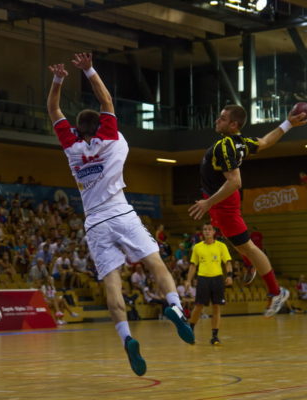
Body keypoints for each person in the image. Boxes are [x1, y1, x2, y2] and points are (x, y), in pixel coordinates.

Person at [47, 53, 193, 376]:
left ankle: (127, 338)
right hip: (122, 212)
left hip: (95, 222)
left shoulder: (72, 150)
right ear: (99, 126)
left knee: (112, 283)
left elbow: (54, 111)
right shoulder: (111, 137)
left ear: (77, 130)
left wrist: (58, 80)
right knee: (155, 262)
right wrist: (88, 70)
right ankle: (176, 308)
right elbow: (107, 99)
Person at [188, 104, 307, 317]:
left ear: (233, 124)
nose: (217, 120)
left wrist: (208, 203)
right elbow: (265, 141)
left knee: (250, 248)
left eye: (222, 118)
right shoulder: (240, 142)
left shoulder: (226, 146)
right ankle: (250, 265)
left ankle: (276, 291)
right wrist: (289, 123)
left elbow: (235, 182)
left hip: (222, 201)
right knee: (239, 243)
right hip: (220, 200)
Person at [185, 223, 232, 345]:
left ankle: (215, 336)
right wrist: (188, 280)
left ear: (214, 232)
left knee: (216, 307)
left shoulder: (221, 246)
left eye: (209, 229)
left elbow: (227, 262)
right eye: (205, 229)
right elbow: (193, 265)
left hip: (217, 279)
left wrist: (230, 276)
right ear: (202, 232)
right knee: (199, 306)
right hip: (203, 279)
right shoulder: (197, 247)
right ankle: (190, 330)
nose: (207, 231)